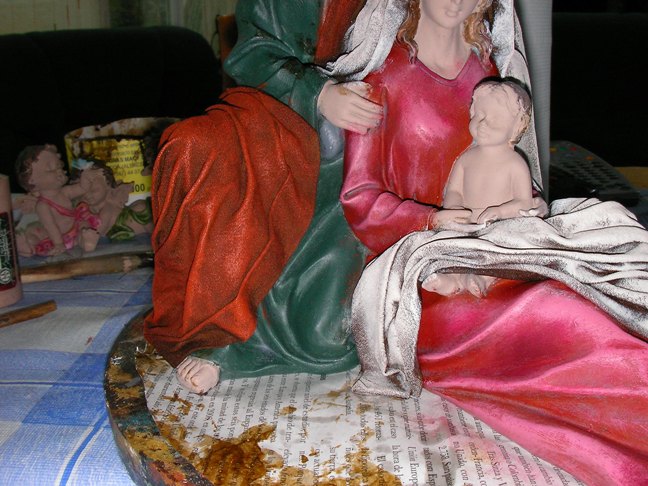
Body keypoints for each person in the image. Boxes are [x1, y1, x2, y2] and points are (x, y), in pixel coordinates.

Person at [340, 1, 648, 485]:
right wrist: (432, 220)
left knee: (591, 288)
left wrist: (524, 211)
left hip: (497, 250)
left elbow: (508, 167)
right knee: (558, 317)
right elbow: (360, 199)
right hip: (424, 275)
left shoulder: (484, 72)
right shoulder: (384, 79)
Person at [144, 0, 379, 394]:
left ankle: (255, 338)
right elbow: (251, 54)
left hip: (357, 141)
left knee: (326, 336)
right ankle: (217, 332)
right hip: (276, 111)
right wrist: (318, 93)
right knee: (194, 148)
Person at [422, 78, 534, 296]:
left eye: (494, 119)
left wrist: (500, 212)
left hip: (497, 226)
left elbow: (524, 202)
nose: (482, 123)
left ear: (516, 127)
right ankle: (451, 279)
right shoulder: (466, 159)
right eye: (478, 115)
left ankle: (481, 278)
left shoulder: (515, 163)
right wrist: (454, 207)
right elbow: (454, 190)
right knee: (449, 245)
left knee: (497, 252)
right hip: (467, 223)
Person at [14, 144, 100, 256]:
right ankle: (27, 247)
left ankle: (86, 240)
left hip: (75, 227)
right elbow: (51, 227)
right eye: (50, 169)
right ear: (32, 180)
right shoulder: (42, 206)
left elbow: (82, 188)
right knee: (33, 234)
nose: (58, 171)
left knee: (85, 225)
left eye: (59, 166)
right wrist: (59, 244)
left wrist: (86, 177)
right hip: (56, 237)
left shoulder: (65, 191)